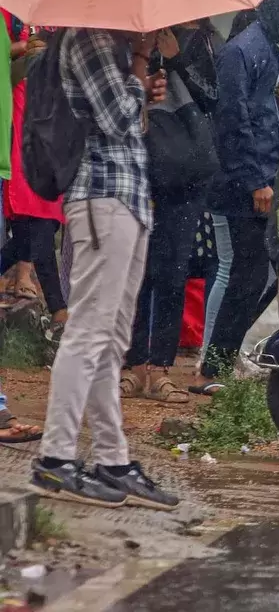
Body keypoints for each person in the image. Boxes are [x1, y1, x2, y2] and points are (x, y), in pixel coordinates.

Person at [31, 27, 178, 510]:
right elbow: (116, 118)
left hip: (127, 200)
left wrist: (143, 89)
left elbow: (133, 127)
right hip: (101, 198)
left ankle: (113, 460)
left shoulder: (111, 48)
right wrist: (138, 65)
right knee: (88, 334)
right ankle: (55, 458)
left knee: (112, 339)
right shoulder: (91, 40)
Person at [198, 0, 279, 392]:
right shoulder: (242, 52)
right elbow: (233, 122)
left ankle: (224, 355)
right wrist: (254, 182)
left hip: (276, 180)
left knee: (273, 272)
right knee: (245, 275)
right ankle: (214, 366)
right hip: (243, 186)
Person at [122, 25, 220, 403]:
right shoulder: (128, 38)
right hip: (138, 165)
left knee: (173, 271)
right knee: (138, 270)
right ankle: (134, 365)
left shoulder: (203, 40)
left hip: (185, 171)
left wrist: (177, 58)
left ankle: (161, 368)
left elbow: (214, 98)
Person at [1, 9, 66, 338]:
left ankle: (59, 310)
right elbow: (6, 62)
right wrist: (23, 50)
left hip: (55, 129)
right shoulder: (11, 10)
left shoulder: (63, 11)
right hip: (23, 125)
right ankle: (60, 311)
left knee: (35, 230)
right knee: (36, 222)